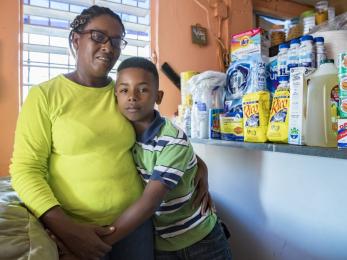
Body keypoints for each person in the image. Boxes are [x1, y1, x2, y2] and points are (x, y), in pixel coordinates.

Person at [10, 5, 209, 260]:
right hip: (75, 227)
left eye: (116, 41)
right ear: (75, 39)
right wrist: (66, 230)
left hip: (135, 226)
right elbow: (26, 169)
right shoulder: (45, 96)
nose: (108, 46)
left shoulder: (123, 94)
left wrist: (200, 167)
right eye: (98, 36)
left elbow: (161, 137)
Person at [101, 57, 232, 259]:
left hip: (200, 238)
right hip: (162, 243)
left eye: (143, 89)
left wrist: (99, 243)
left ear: (158, 96)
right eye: (124, 90)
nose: (132, 97)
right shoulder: (123, 135)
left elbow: (149, 203)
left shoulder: (172, 139)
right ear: (115, 95)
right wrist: (201, 167)